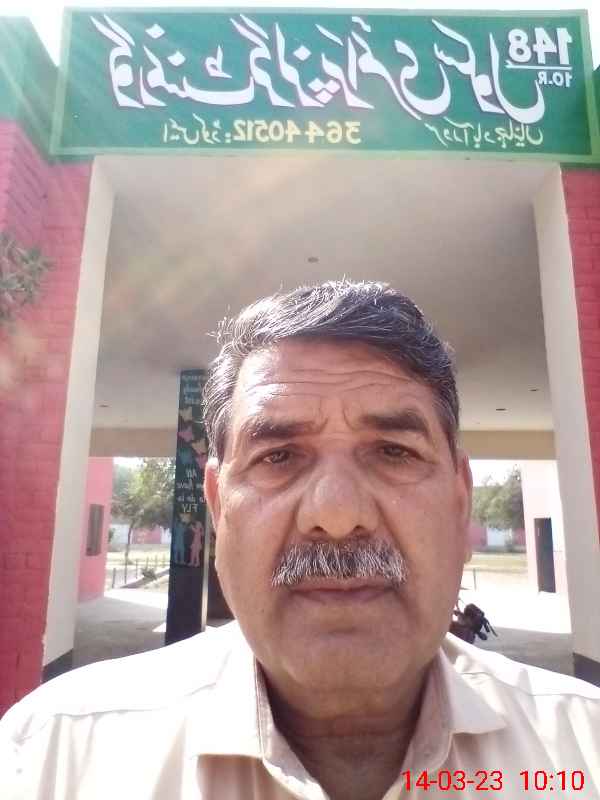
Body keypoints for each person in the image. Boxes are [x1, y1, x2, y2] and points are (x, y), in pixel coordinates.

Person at [1, 280, 599, 799]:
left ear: (460, 499)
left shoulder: (584, 750)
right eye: (279, 456)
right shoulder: (55, 758)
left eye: (394, 452)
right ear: (217, 505)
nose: (336, 517)